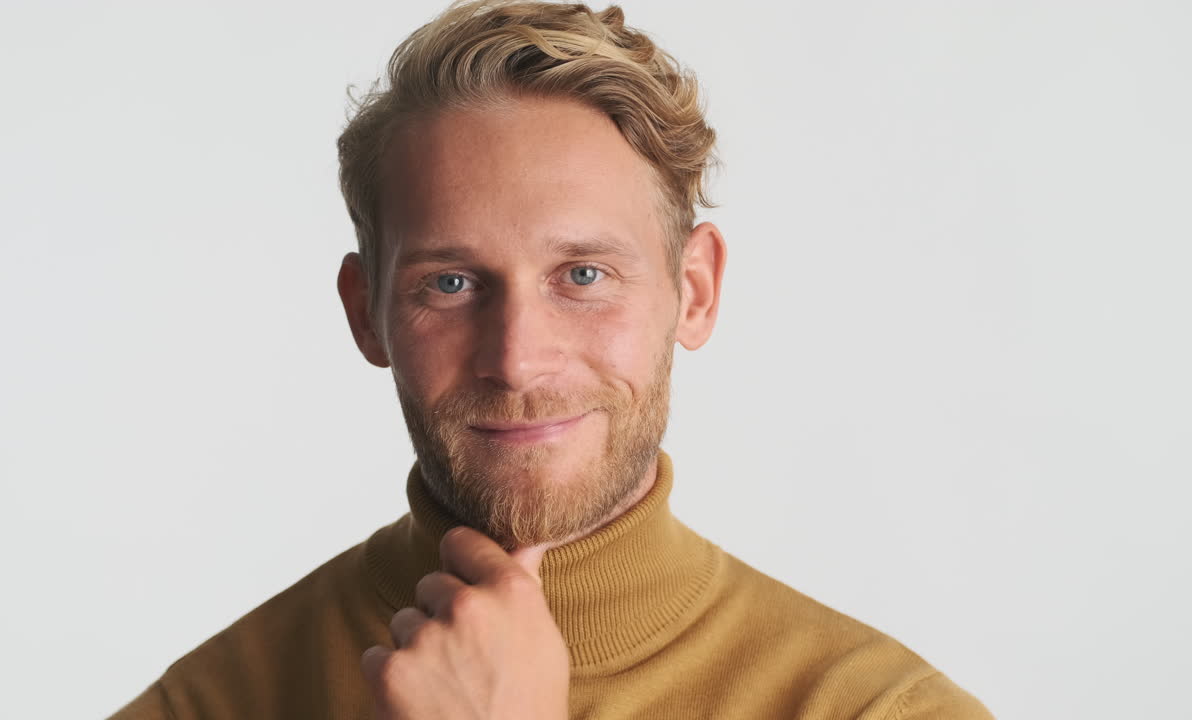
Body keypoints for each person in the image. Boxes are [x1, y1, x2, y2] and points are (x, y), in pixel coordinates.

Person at [110, 1, 994, 718]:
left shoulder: (876, 710)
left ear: (695, 292)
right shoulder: (210, 703)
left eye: (583, 274)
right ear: (365, 313)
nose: (519, 361)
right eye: (451, 283)